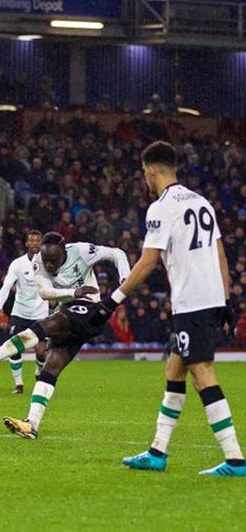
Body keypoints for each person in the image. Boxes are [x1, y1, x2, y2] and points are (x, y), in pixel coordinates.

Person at [101, 141, 246, 477]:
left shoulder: (161, 207)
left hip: (191, 301)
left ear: (151, 170)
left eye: (144, 173)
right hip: (209, 298)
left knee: (202, 372)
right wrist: (225, 299)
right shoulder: (202, 202)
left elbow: (148, 261)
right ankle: (157, 452)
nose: (145, 179)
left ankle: (236, 458)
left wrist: (114, 298)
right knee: (174, 369)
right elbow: (220, 254)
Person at [0, 231, 130, 440]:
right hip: (70, 308)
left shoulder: (82, 251)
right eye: (46, 260)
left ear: (63, 250)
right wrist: (73, 293)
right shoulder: (38, 261)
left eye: (53, 260)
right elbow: (45, 293)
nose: (49, 265)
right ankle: (31, 424)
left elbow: (117, 253)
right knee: (51, 366)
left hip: (90, 310)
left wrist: (125, 277)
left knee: (47, 325)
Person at [0, 230, 49, 394]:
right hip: (20, 312)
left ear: (41, 244)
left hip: (41, 313)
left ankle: (39, 373)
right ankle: (19, 384)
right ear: (26, 243)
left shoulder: (49, 263)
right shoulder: (17, 264)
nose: (34, 244)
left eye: (37, 241)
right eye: (31, 240)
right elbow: (6, 286)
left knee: (40, 350)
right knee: (15, 348)